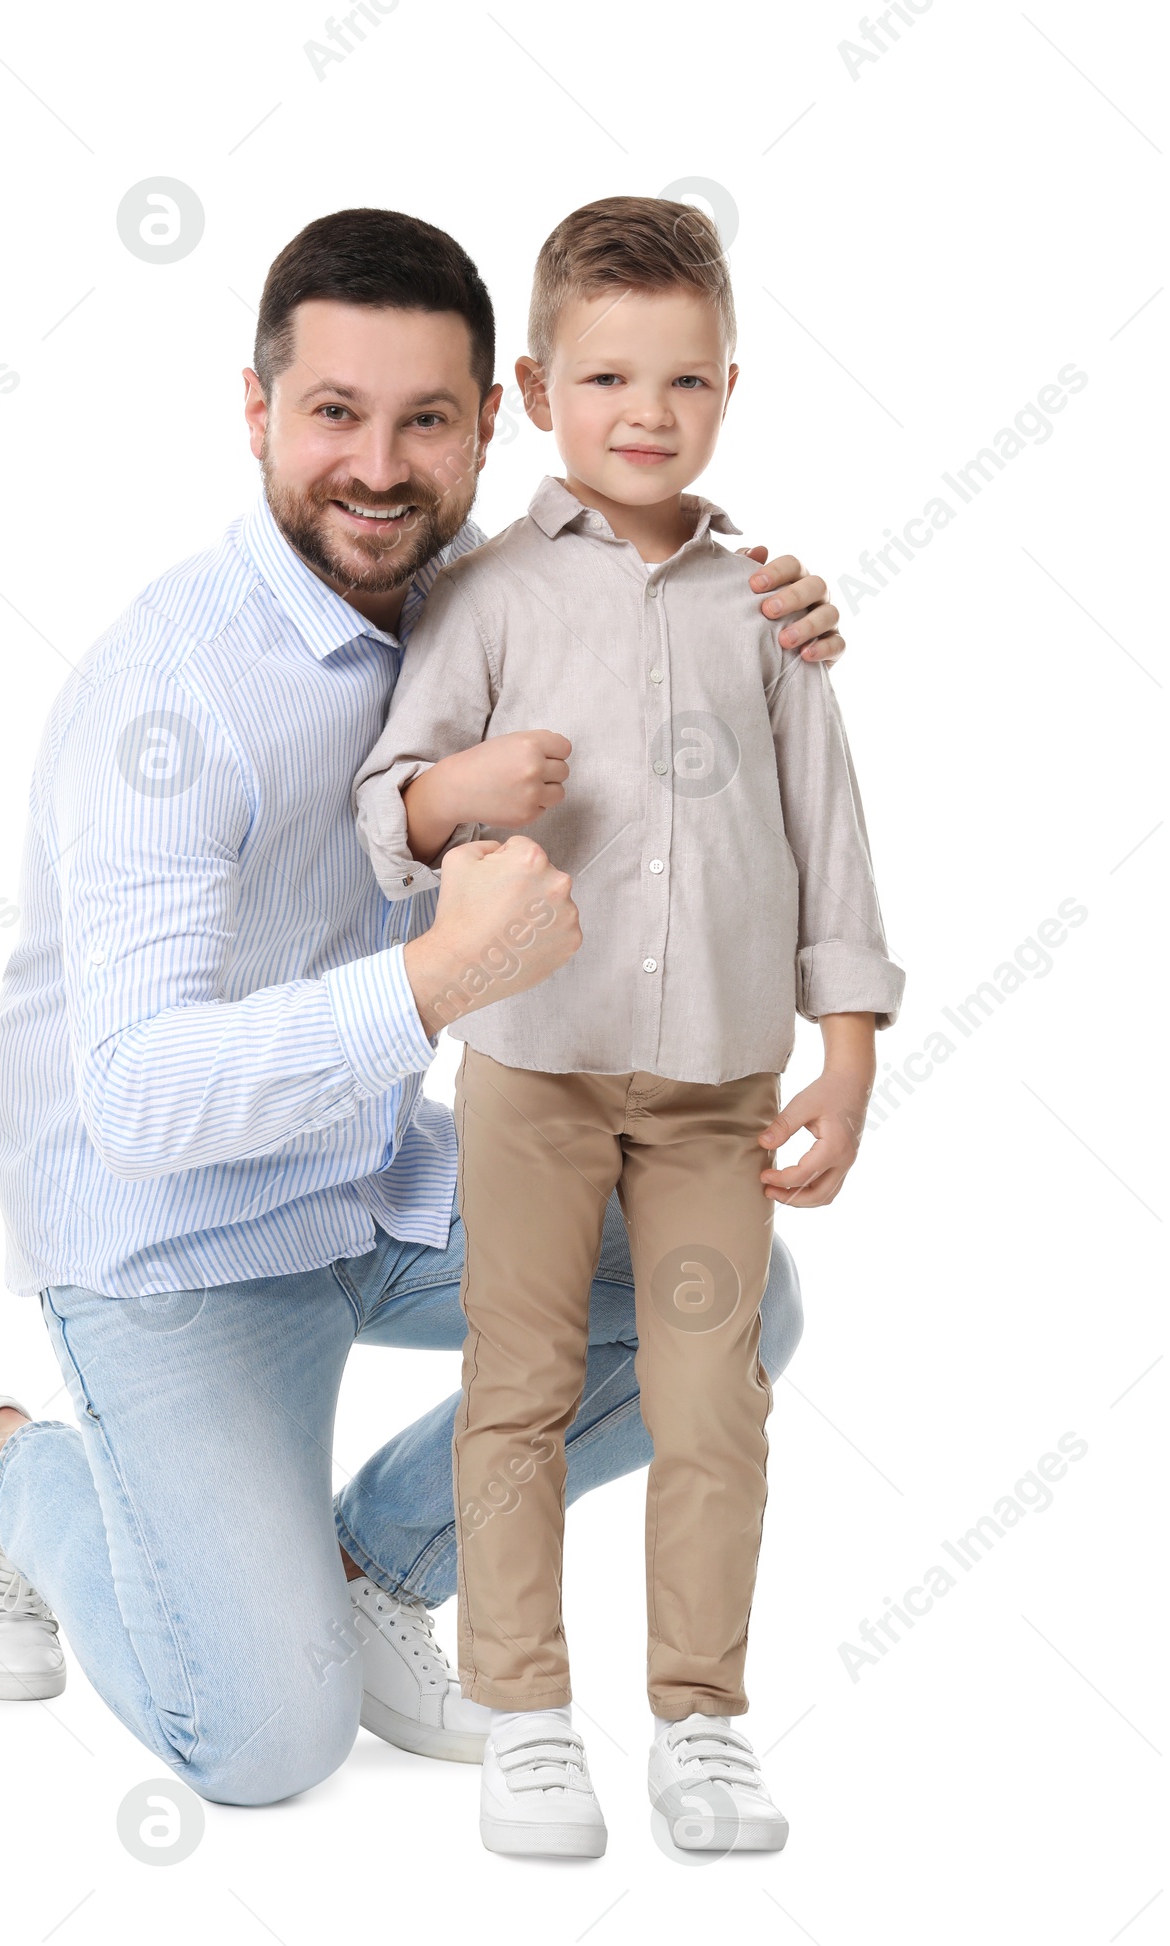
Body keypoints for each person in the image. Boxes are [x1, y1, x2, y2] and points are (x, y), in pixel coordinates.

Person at [0, 208, 848, 1808]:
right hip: (172, 1235)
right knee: (268, 1742)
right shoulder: (172, 695)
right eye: (334, 413)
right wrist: (438, 980)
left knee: (734, 1303)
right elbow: (136, 1096)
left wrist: (777, 619)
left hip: (369, 1179)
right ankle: (8, 1467)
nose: (377, 466)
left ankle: (372, 1553)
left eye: (426, 419)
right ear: (260, 408)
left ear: (496, 418)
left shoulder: (475, 599)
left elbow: (656, 608)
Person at [353, 196, 904, 1856]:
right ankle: (525, 1709)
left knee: (708, 1395)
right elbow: (391, 801)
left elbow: (832, 829)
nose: (643, 415)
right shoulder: (490, 592)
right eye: (604, 379)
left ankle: (703, 1720)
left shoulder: (769, 611)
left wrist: (851, 1046)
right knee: (515, 1384)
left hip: (720, 1086)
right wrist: (461, 796)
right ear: (534, 389)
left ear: (729, 387)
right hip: (531, 1071)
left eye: (681, 381)